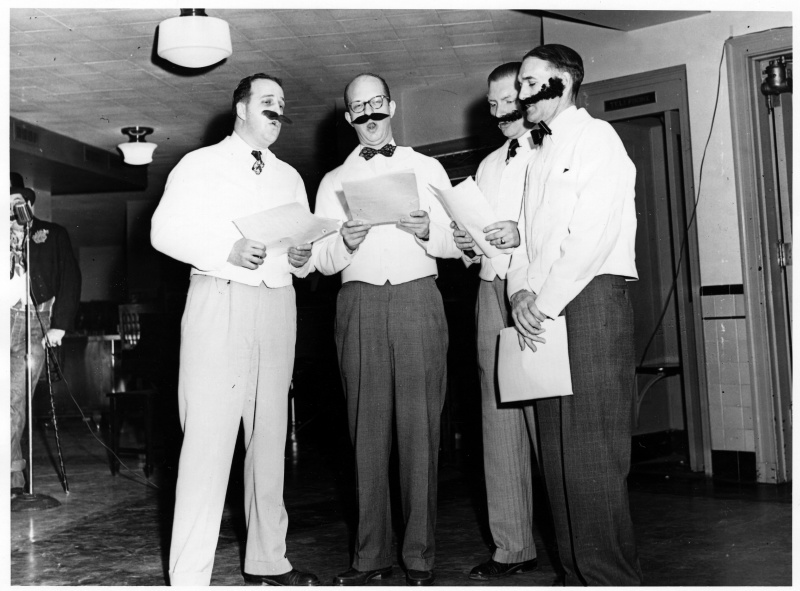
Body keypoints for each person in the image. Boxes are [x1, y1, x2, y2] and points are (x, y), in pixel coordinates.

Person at [151, 73, 319, 587]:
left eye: (282, 103)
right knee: (207, 444)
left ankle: (269, 561)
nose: (278, 110)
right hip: (219, 298)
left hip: (278, 303)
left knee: (269, 441)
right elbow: (163, 232)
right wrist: (225, 249)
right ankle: (190, 576)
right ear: (240, 109)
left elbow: (301, 245)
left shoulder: (290, 176)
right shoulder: (199, 164)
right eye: (267, 102)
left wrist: (302, 258)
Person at [311, 72, 461, 587]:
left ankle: (419, 556)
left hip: (418, 297)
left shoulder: (427, 166)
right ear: (349, 117)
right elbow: (320, 260)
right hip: (359, 304)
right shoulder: (333, 181)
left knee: (421, 429)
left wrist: (430, 232)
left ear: (392, 107)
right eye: (359, 108)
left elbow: (459, 241)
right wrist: (345, 243)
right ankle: (369, 556)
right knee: (366, 432)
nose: (370, 114)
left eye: (377, 103)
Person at [506, 44, 642, 586]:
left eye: (530, 82)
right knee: (558, 460)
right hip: (543, 308)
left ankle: (610, 579)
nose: (521, 95)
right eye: (519, 85)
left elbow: (592, 236)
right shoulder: (537, 154)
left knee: (592, 459)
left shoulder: (598, 138)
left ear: (563, 81)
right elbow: (522, 238)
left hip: (589, 303)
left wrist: (541, 302)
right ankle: (575, 575)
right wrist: (519, 292)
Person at [449, 62, 543, 581]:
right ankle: (513, 546)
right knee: (498, 417)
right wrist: (467, 243)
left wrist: (520, 236)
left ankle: (574, 544)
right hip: (490, 290)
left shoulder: (552, 154)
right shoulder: (487, 165)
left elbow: (559, 228)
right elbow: (482, 237)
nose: (501, 111)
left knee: (545, 416)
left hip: (535, 292)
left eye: (510, 100)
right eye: (492, 104)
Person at [9, 184, 81, 499]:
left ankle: (10, 480)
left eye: (15, 202)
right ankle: (11, 478)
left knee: (13, 400)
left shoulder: (51, 234)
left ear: (29, 204)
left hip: (33, 321)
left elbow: (70, 278)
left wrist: (59, 326)